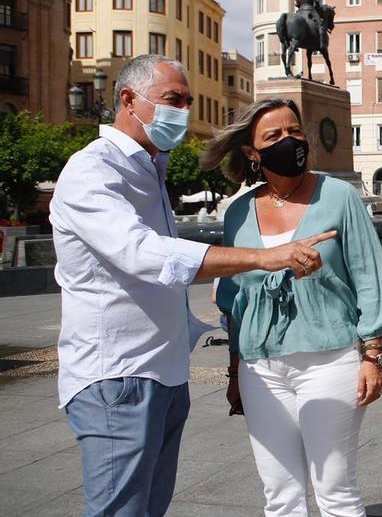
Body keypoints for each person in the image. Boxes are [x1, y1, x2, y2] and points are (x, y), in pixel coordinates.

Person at [51, 54, 336, 517]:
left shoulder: (149, 169)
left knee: (148, 507)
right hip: (117, 377)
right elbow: (144, 253)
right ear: (128, 100)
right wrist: (265, 257)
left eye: (187, 101)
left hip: (162, 373)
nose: (184, 111)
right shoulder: (93, 171)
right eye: (173, 99)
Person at [201, 98, 382, 517]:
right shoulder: (238, 213)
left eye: (294, 131)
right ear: (252, 152)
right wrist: (234, 371)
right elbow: (234, 299)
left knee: (335, 489)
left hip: (330, 360)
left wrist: (372, 355)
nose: (289, 141)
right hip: (260, 368)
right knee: (279, 494)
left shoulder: (339, 197)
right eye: (274, 136)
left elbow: (369, 276)